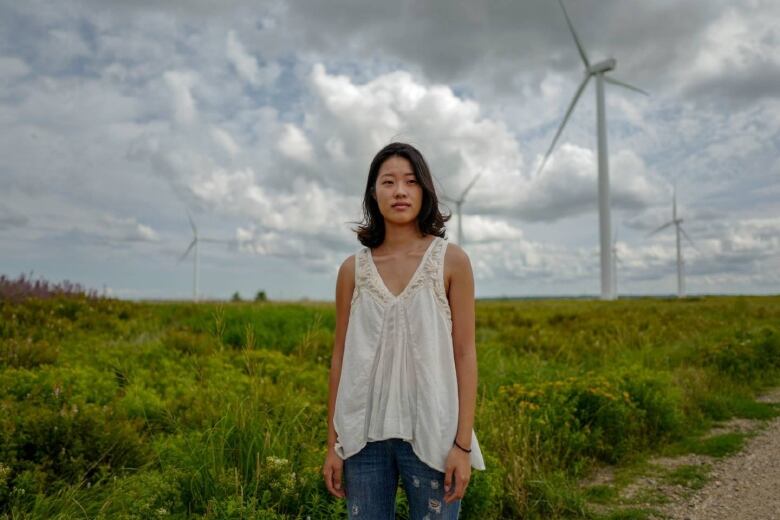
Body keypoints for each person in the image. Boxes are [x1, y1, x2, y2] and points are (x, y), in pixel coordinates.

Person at [322, 142, 486, 519]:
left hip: (434, 435)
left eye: (410, 182)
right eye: (388, 181)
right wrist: (333, 443)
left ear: (424, 191)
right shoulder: (352, 270)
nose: (399, 191)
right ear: (373, 193)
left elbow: (465, 353)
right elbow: (340, 358)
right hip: (362, 440)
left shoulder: (451, 261)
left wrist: (461, 445)